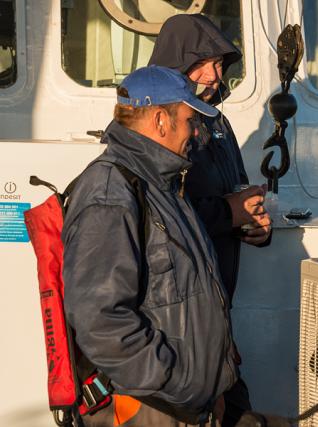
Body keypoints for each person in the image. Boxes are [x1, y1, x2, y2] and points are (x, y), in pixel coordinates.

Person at [62, 66, 235, 426]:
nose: (197, 132)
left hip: (182, 406)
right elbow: (100, 319)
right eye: (190, 120)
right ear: (160, 120)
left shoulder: (164, 186)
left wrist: (210, 387)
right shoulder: (110, 191)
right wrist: (176, 384)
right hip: (149, 408)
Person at [148, 14, 271, 426]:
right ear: (176, 64)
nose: (215, 76)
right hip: (179, 319)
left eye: (220, 65)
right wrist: (230, 213)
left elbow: (234, 191)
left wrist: (251, 223)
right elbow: (161, 212)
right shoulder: (157, 127)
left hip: (215, 312)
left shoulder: (217, 124)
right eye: (204, 63)